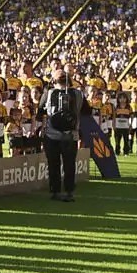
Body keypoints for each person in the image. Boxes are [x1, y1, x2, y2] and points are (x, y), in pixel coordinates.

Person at [40, 68, 85, 202]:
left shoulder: (49, 93)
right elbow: (86, 111)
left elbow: (40, 111)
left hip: (52, 135)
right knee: (69, 164)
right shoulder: (78, 94)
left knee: (53, 164)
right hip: (71, 135)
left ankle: (55, 191)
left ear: (53, 80)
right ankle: (69, 191)